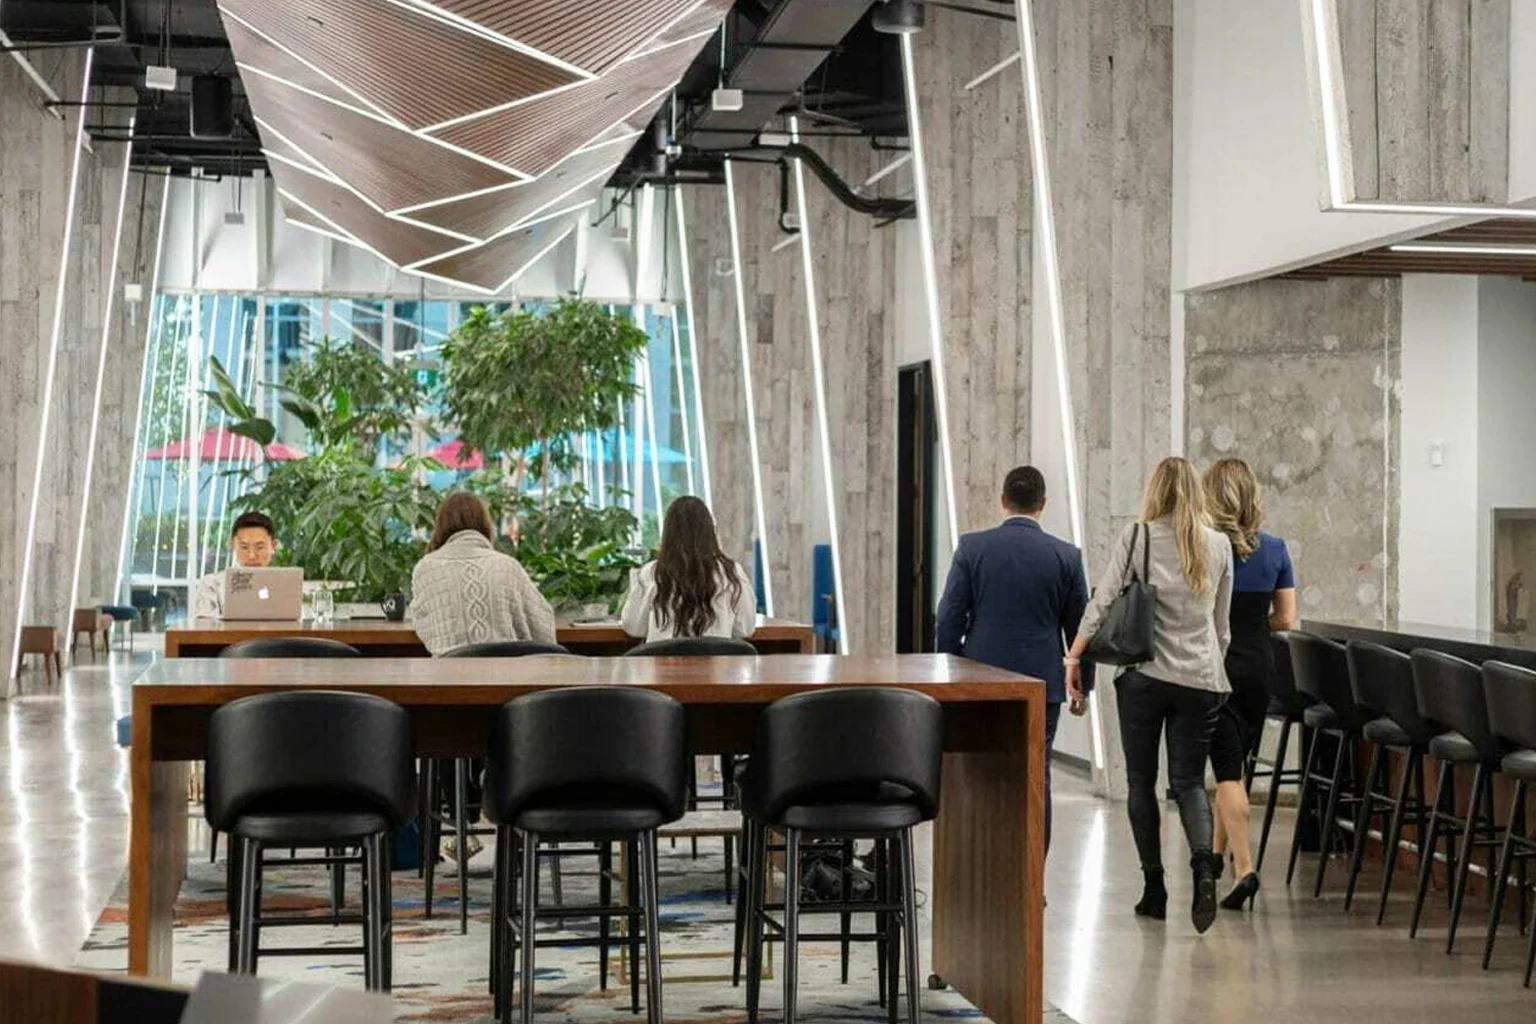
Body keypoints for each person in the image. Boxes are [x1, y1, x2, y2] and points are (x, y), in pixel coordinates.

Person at [1065, 456, 1232, 933]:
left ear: (1155, 491)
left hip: (1144, 678)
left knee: (1142, 781)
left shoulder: (1137, 536)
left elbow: (1102, 603)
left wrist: (1074, 656)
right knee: (1190, 783)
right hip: (1199, 679)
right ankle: (1203, 868)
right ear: (1196, 493)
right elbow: (1221, 628)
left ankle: (1154, 889)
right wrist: (1209, 668)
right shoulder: (1219, 545)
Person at [935, 465, 1089, 854]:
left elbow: (949, 619)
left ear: (1003, 501)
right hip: (1043, 684)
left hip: (979, 682)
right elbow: (1081, 631)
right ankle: (1033, 879)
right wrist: (1081, 685)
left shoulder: (972, 548)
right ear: (1043, 505)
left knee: (977, 773)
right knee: (1038, 778)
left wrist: (952, 670)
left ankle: (983, 867)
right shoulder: (1066, 556)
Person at [1203, 457, 1297, 910]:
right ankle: (1217, 856)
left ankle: (1244, 868)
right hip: (1260, 665)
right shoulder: (1276, 549)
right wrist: (1256, 627)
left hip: (1217, 665)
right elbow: (1287, 618)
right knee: (1236, 765)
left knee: (1224, 770)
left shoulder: (1204, 548)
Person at [411, 492, 556, 656]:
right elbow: (543, 624)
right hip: (509, 677)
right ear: (484, 523)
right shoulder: (507, 566)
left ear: (440, 525)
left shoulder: (426, 568)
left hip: (449, 677)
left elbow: (423, 626)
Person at [622, 495, 756, 641]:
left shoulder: (652, 573)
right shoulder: (732, 573)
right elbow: (746, 629)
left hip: (662, 663)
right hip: (718, 663)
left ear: (668, 534)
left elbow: (633, 628)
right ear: (710, 532)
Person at [192, 511, 280, 619]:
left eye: (259, 547)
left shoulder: (288, 585)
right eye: (244, 547)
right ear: (233, 545)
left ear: (273, 546)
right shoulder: (212, 585)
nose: (252, 556)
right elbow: (203, 630)